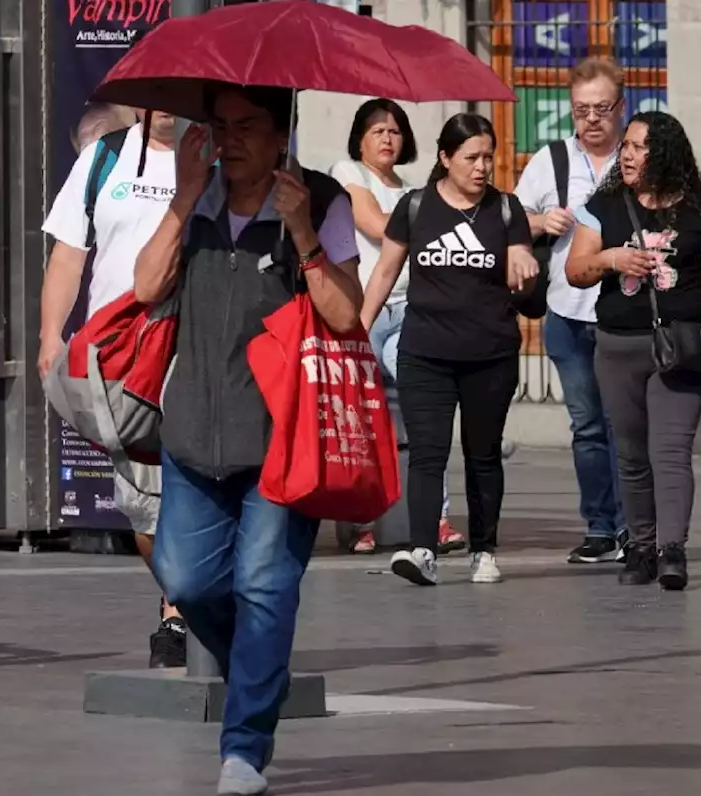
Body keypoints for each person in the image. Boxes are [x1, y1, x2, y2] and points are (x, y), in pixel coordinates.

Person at [134, 85, 359, 796]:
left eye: (245, 127)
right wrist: (182, 199)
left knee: (264, 585)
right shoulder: (195, 195)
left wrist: (302, 233)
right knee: (187, 578)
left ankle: (244, 749)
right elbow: (145, 288)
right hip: (194, 428)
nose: (229, 141)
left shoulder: (322, 201)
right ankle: (261, 671)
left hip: (283, 438)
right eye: (219, 127)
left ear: (281, 131)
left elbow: (348, 313)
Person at [565, 110, 701, 590]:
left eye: (640, 147)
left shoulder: (699, 210)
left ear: (665, 154)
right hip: (617, 347)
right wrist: (610, 258)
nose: (629, 154)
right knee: (633, 454)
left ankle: (671, 549)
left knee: (671, 451)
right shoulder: (607, 205)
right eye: (628, 146)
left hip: (681, 346)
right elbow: (576, 270)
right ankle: (641, 548)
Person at [361, 113, 538, 587]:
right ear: (445, 158)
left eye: (488, 157)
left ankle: (483, 549)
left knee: (483, 456)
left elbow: (520, 257)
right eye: (471, 158)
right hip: (425, 352)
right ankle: (422, 550)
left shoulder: (506, 209)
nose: (482, 167)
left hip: (490, 355)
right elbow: (385, 272)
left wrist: (521, 257)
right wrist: (360, 329)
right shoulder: (416, 207)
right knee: (427, 453)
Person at [39, 107, 188, 667]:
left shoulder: (218, 157)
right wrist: (51, 335)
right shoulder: (106, 157)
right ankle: (183, 597)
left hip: (195, 348)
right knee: (142, 505)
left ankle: (179, 615)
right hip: (120, 357)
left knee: (199, 481)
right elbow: (69, 253)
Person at [329, 98, 465, 556]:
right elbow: (375, 224)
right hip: (364, 311)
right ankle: (362, 522)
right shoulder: (347, 172)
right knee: (361, 418)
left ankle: (437, 517)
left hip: (410, 311)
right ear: (360, 140)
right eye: (377, 131)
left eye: (394, 131)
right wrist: (434, 226)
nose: (388, 139)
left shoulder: (412, 190)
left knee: (422, 409)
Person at [515, 57, 630, 564]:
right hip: (567, 313)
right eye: (581, 109)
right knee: (586, 427)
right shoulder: (552, 160)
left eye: (602, 108)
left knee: (622, 424)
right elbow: (510, 219)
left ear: (620, 107)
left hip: (623, 316)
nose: (591, 119)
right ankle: (601, 527)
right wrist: (541, 221)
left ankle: (634, 528)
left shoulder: (638, 158)